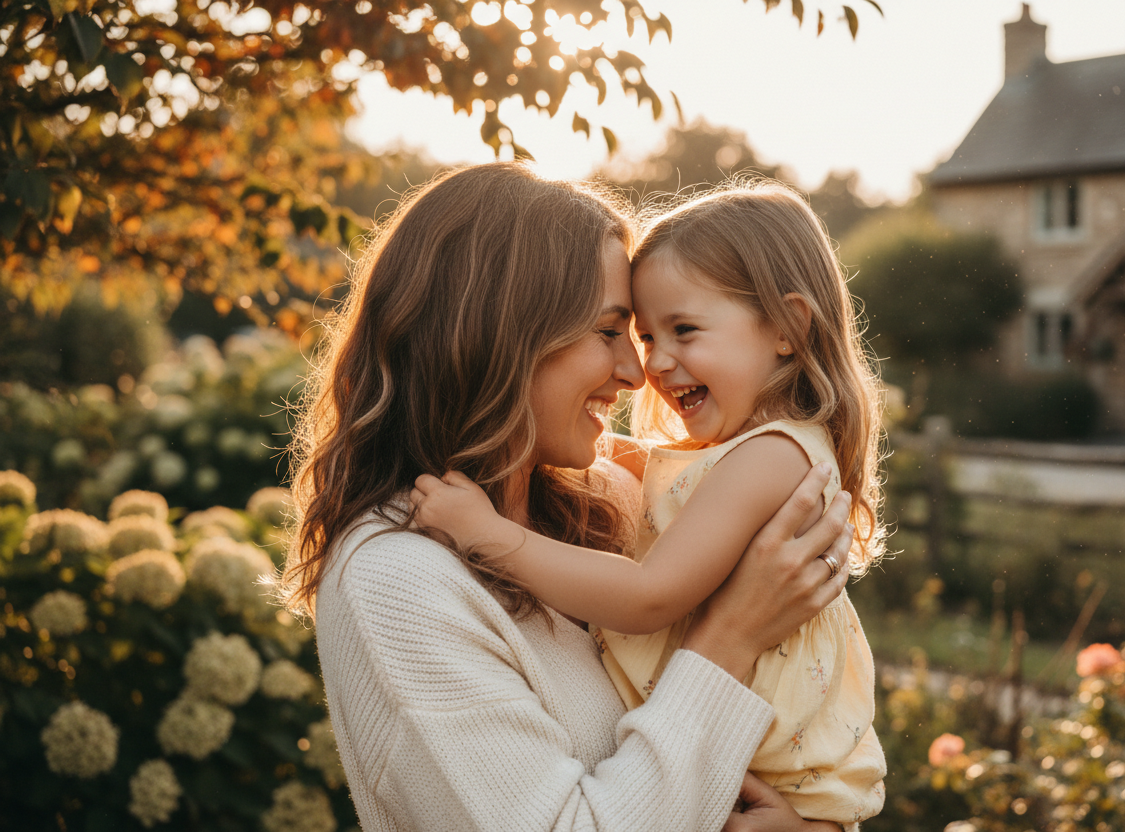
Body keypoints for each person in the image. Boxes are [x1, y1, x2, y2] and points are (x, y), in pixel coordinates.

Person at [280, 163, 858, 832]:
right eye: (614, 332)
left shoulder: (601, 505)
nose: (637, 373)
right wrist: (732, 637)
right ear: (501, 334)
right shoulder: (398, 579)